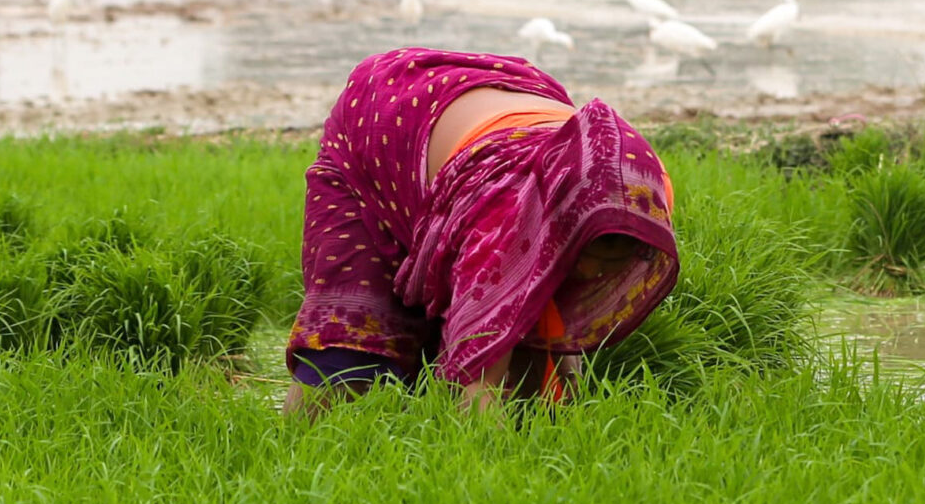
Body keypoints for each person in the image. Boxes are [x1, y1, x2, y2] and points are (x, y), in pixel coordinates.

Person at [286, 48, 679, 414]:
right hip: (383, 119)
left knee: (527, 347)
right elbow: (479, 382)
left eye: (609, 261)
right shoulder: (502, 221)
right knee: (349, 348)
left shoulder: (641, 198)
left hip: (501, 111)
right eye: (591, 256)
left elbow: (551, 317)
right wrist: (490, 457)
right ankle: (300, 446)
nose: (593, 273)